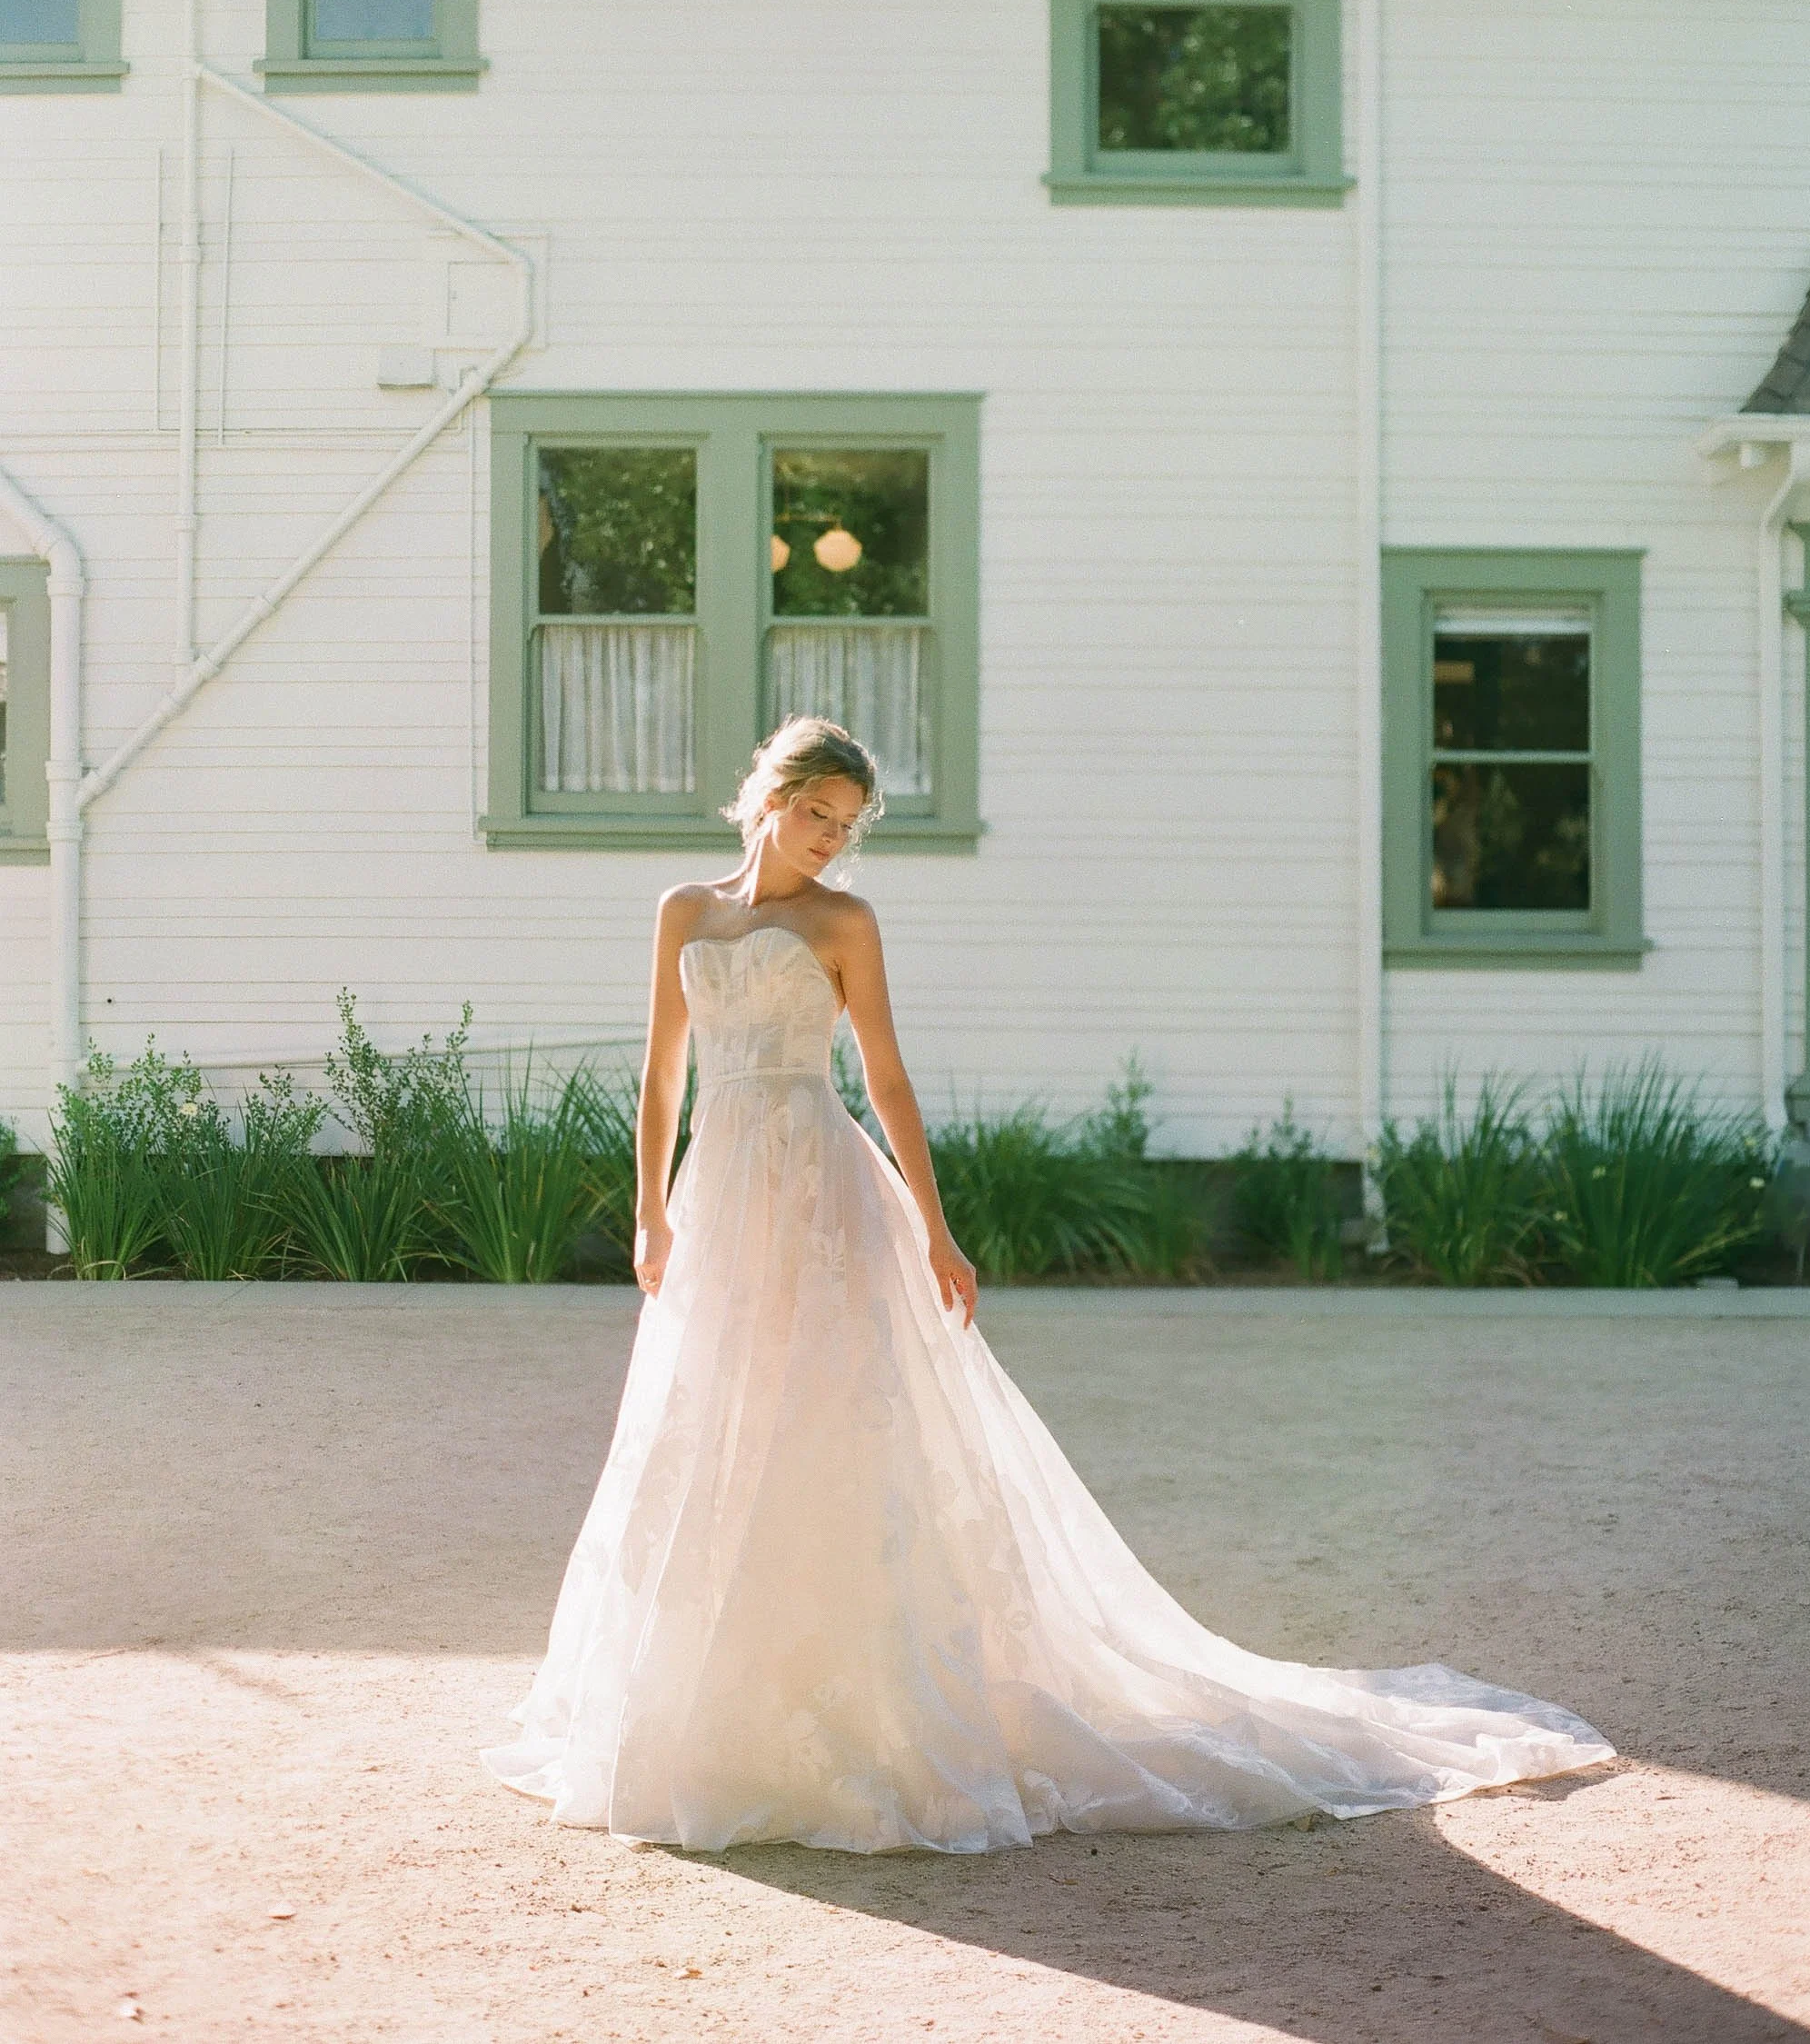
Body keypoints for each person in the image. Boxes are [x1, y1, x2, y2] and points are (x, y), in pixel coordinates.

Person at [483, 716, 1612, 1853]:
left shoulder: (844, 923)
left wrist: (936, 1230)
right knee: (707, 1418)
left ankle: (865, 1715)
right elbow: (660, 1069)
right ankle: (706, 1708)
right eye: (816, 813)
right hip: (718, 1194)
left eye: (847, 825)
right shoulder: (685, 910)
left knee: (831, 1424)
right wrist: (647, 1208)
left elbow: (884, 1077)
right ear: (766, 795)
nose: (830, 840)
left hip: (822, 1191)